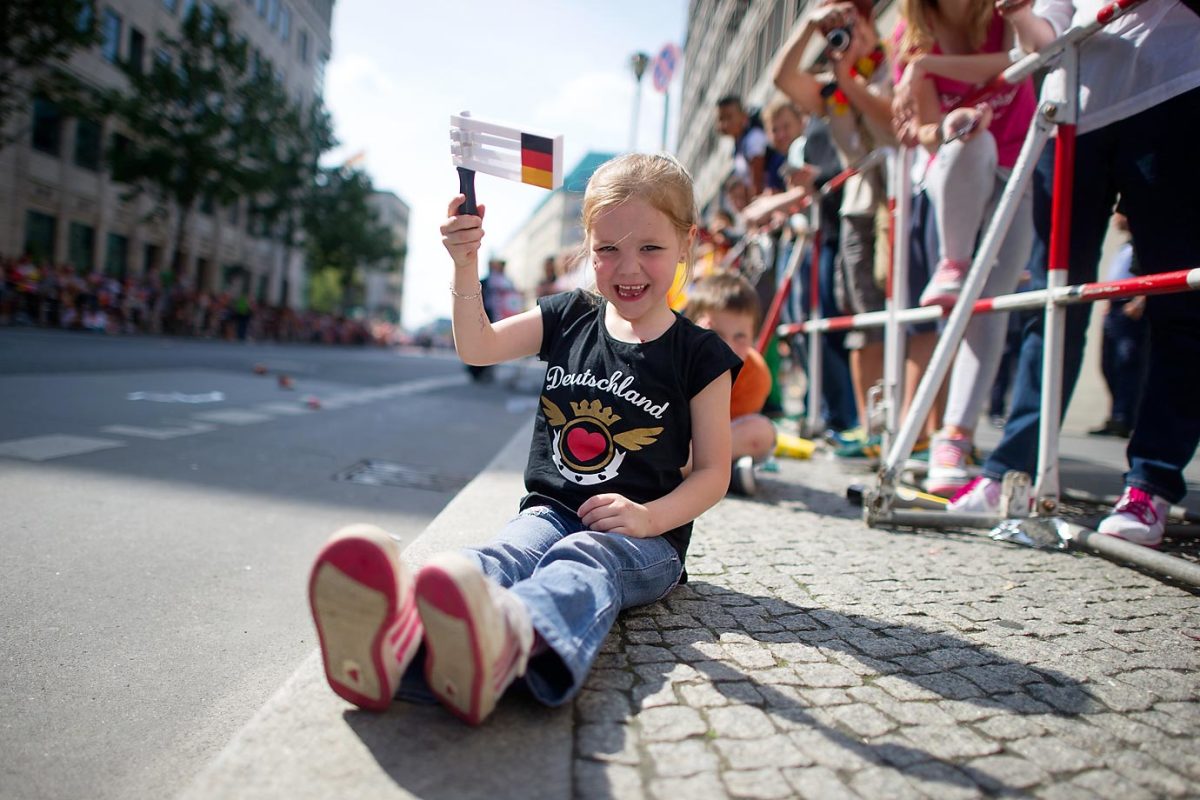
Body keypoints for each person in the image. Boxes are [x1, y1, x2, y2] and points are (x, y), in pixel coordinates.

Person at [306, 153, 741, 725]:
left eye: (650, 249)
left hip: (643, 541)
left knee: (585, 557)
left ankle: (510, 638)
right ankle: (398, 632)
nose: (627, 267)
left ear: (686, 244)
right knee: (502, 553)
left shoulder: (701, 354)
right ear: (587, 246)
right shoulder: (569, 316)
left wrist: (650, 518)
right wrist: (466, 263)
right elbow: (478, 347)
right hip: (551, 511)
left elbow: (714, 473)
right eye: (608, 249)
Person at [950, 0, 1200, 548]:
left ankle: (1151, 483)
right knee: (1050, 302)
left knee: (1177, 296)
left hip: (1172, 88)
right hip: (1072, 112)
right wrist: (1017, 13)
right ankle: (1012, 469)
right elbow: (1047, 34)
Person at [891, 0, 1038, 495]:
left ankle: (955, 437)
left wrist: (925, 66)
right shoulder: (909, 32)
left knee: (990, 309)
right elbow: (930, 133)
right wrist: (949, 126)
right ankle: (952, 265)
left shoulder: (1000, 13)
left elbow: (1017, 58)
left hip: (1020, 164)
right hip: (956, 172)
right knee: (972, 142)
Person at [774, 0, 917, 458]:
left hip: (904, 198)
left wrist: (850, 72)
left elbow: (893, 120)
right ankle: (872, 430)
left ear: (870, 20)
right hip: (858, 210)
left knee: (912, 313)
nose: (842, 35)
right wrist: (809, 30)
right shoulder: (835, 86)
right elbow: (782, 79)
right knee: (863, 320)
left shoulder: (894, 61)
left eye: (849, 23)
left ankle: (918, 430)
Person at [684, 272, 778, 496]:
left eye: (740, 337)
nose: (726, 347)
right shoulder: (675, 354)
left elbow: (723, 432)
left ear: (753, 338)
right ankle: (722, 474)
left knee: (762, 432)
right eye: (715, 334)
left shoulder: (756, 374)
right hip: (674, 438)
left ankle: (688, 471)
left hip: (712, 442)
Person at [1089, 213, 1147, 439]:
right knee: (1109, 364)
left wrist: (1139, 301)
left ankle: (1124, 418)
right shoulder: (1125, 247)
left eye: (1121, 212)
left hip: (1130, 307)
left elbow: (1150, 275)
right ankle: (1115, 414)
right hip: (1114, 307)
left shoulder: (1143, 245)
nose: (1115, 218)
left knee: (1127, 363)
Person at [716, 95, 775, 198]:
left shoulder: (753, 138)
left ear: (743, 116)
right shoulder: (739, 145)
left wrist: (757, 202)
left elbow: (758, 180)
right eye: (721, 118)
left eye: (729, 117)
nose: (725, 124)